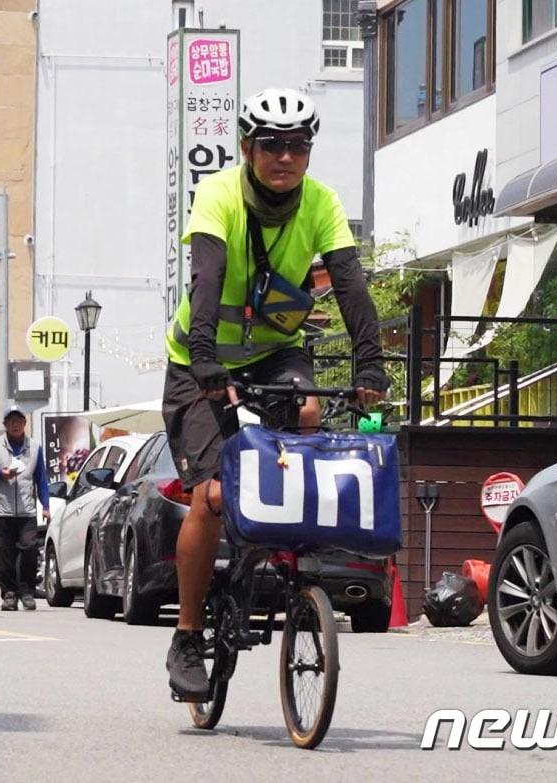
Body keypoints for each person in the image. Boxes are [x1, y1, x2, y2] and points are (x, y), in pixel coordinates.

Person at [161, 88, 386, 701]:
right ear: (247, 149)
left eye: (297, 146)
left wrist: (372, 365)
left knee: (311, 408)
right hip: (198, 363)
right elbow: (206, 278)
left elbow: (350, 285)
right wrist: (206, 359)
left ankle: (290, 550)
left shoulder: (320, 202)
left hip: (274, 352)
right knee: (209, 495)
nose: (284, 157)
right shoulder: (220, 195)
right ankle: (185, 636)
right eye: (271, 145)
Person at [0, 406, 51, 611]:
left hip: (27, 510)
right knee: (6, 554)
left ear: (25, 423)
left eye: (19, 421)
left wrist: (45, 506)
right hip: (2, 510)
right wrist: (0, 473)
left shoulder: (35, 447)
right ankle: (9, 594)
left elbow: (41, 479)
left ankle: (27, 591)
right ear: (5, 425)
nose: (15, 425)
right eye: (11, 421)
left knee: (29, 550)